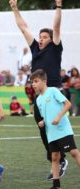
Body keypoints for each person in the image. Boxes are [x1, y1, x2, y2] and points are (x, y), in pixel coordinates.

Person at [10, 0, 68, 179]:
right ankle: (57, 158)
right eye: (40, 36)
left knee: (54, 128)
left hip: (53, 92)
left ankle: (62, 158)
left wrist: (58, 7)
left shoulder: (55, 48)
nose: (40, 39)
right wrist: (15, 8)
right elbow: (23, 27)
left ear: (51, 39)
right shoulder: (35, 48)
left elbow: (56, 27)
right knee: (43, 128)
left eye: (44, 37)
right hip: (39, 96)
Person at [31, 69, 80, 189]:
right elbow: (45, 115)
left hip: (63, 130)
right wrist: (42, 122)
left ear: (44, 81)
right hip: (51, 132)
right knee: (54, 158)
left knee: (74, 153)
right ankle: (56, 186)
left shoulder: (53, 91)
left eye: (36, 81)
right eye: (32, 82)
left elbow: (68, 104)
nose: (33, 84)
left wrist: (58, 117)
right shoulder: (38, 99)